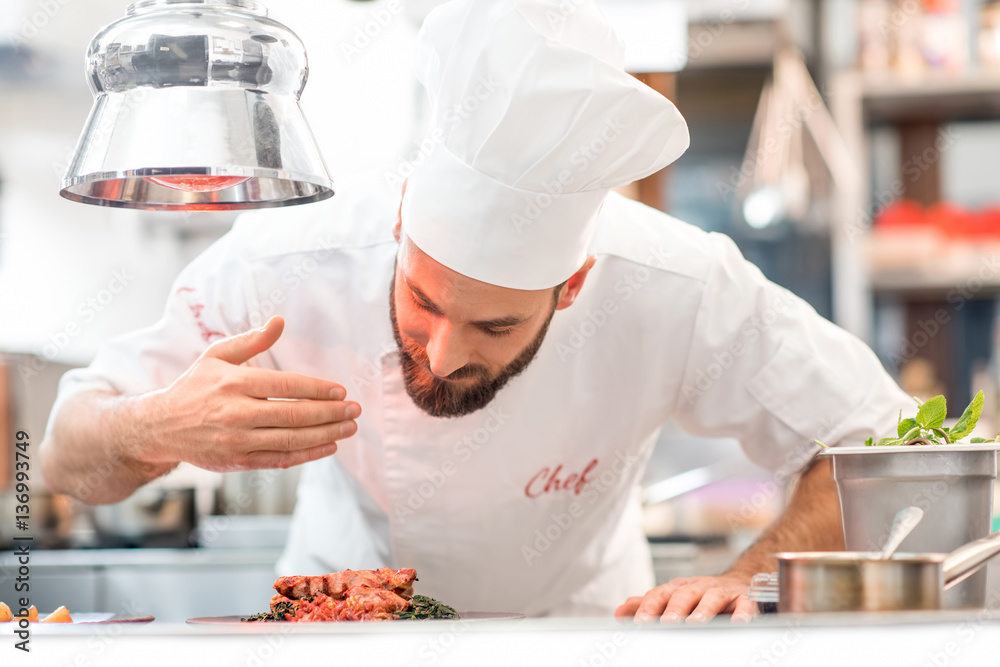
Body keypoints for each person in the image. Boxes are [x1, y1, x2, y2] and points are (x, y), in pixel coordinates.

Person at [39, 0, 911, 620]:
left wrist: (752, 575)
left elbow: (881, 443)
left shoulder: (678, 283)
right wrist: (149, 427)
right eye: (420, 300)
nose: (446, 351)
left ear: (572, 285)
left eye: (496, 325)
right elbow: (56, 459)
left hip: (579, 635)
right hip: (344, 628)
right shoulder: (286, 263)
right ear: (397, 225)